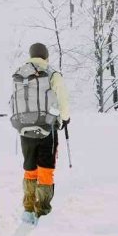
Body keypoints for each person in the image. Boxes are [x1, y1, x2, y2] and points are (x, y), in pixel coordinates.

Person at [17, 43, 70, 223]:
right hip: (48, 128)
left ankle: (28, 209)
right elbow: (62, 96)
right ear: (46, 56)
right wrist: (65, 117)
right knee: (45, 169)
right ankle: (43, 211)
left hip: (25, 128)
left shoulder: (21, 73)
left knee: (29, 168)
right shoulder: (52, 73)